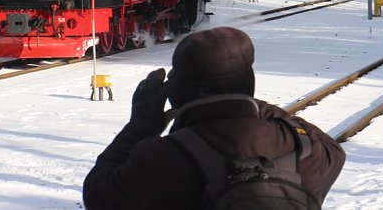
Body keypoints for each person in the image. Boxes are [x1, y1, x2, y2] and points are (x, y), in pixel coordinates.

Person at [83, 27, 345, 209]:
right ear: (249, 83)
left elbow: (98, 194)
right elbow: (335, 151)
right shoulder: (300, 146)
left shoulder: (161, 158)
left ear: (177, 90)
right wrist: (250, 102)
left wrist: (141, 125)